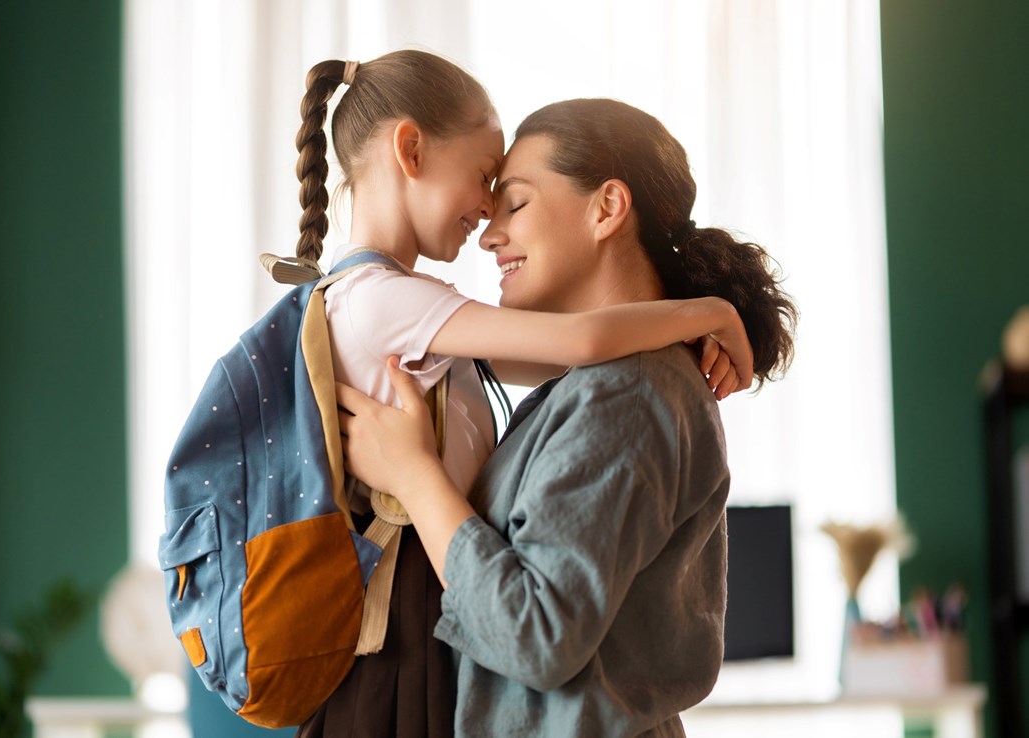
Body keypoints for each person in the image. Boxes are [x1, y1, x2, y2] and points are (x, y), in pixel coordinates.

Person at [290, 52, 756, 738]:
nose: (489, 230)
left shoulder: (625, 394)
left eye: (512, 201)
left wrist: (415, 478)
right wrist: (706, 313)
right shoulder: (603, 383)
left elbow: (534, 633)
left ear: (607, 208)